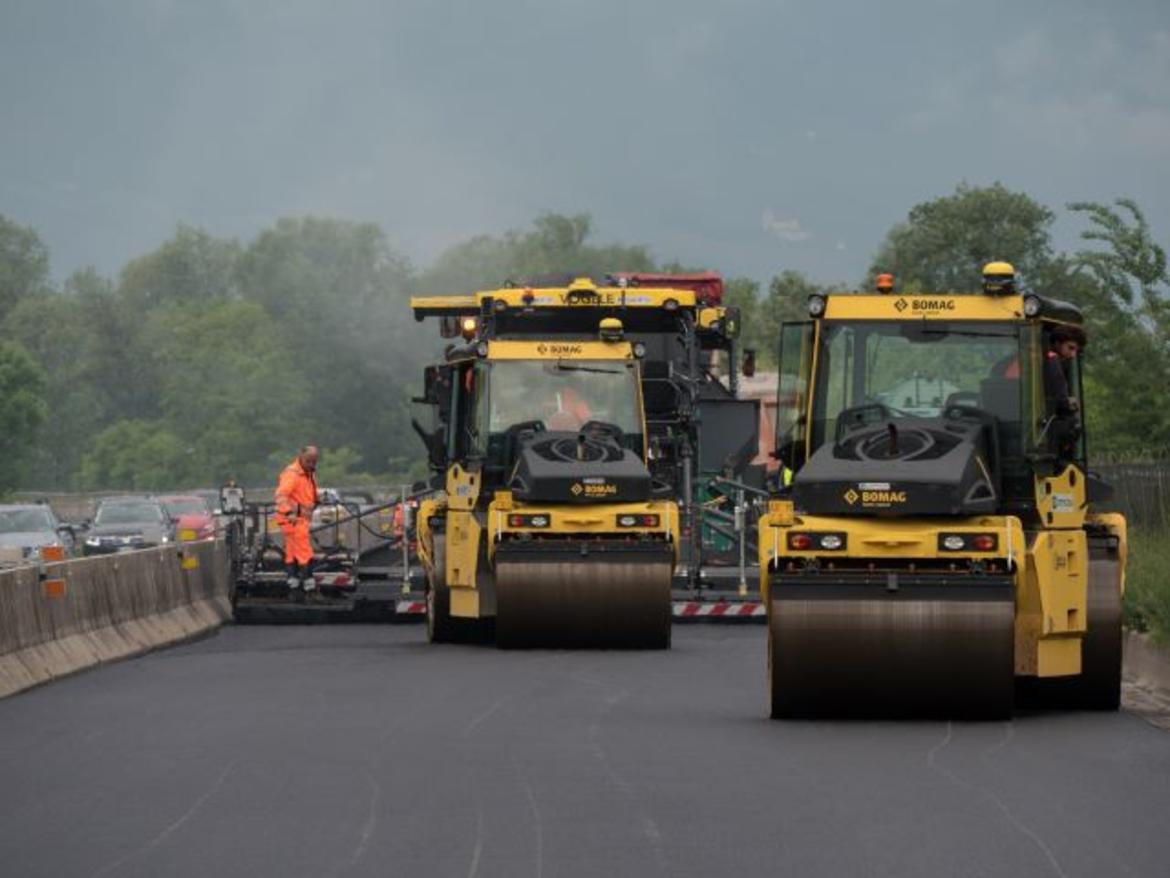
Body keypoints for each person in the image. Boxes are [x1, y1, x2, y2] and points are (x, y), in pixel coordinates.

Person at [275, 445, 320, 600]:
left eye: (314, 461)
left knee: (292, 554)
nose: (311, 464)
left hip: (299, 519)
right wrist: (289, 513)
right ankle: (310, 588)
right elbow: (281, 496)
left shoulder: (308, 473)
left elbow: (309, 495)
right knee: (304, 552)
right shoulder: (292, 474)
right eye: (309, 461)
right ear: (301, 456)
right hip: (293, 519)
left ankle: (293, 588)